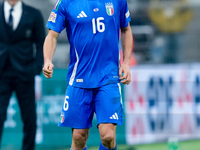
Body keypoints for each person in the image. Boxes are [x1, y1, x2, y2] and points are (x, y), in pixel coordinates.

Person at [43, 0, 133, 149]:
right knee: (79, 137)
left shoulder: (117, 1)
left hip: (108, 77)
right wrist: (47, 60)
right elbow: (52, 36)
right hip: (78, 79)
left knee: (108, 136)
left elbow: (126, 29)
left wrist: (126, 62)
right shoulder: (66, 3)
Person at [0, 0, 45, 149]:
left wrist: (36, 69)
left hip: (25, 74)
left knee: (29, 119)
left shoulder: (34, 14)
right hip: (1, 75)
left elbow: (41, 44)